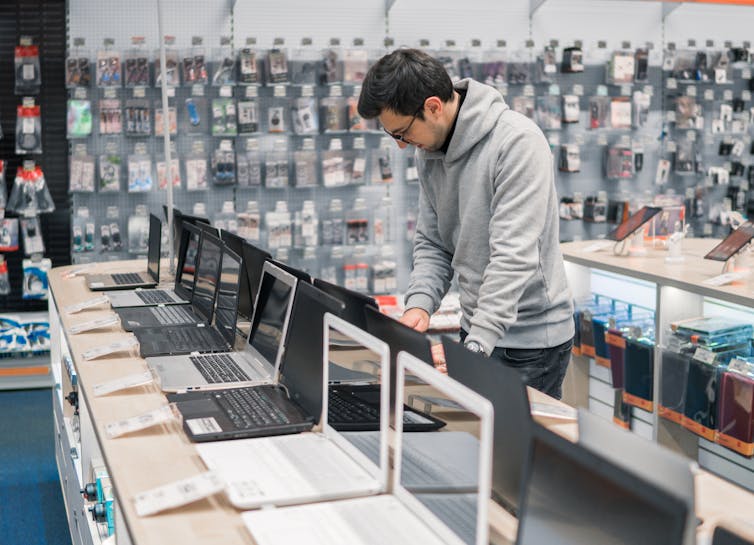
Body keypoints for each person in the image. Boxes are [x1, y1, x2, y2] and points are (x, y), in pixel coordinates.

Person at [357, 49, 574, 399]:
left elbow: (512, 258)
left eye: (401, 133)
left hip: (532, 342)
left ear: (432, 107)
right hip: (477, 331)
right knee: (472, 445)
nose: (399, 146)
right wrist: (419, 305)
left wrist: (474, 349)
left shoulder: (517, 143)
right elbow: (433, 242)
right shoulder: (428, 151)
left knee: (513, 453)